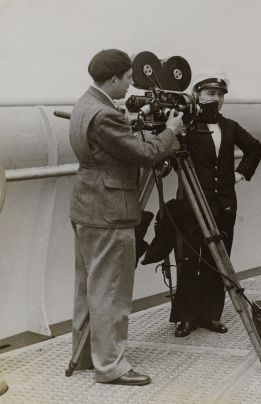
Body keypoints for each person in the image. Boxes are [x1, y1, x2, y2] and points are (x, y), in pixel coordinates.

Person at [69, 49, 184, 386]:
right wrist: (172, 131)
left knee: (88, 287)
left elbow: (109, 140)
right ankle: (112, 366)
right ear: (114, 78)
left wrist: (137, 118)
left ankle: (88, 356)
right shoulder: (105, 115)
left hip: (86, 205)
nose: (132, 84)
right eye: (129, 78)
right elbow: (144, 153)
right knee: (112, 290)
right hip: (110, 211)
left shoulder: (86, 104)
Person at [169, 71, 261, 337]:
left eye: (220, 95)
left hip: (223, 204)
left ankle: (210, 314)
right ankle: (185, 317)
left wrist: (240, 175)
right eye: (211, 94)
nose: (217, 99)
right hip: (193, 203)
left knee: (219, 258)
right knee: (190, 258)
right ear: (197, 95)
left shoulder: (230, 126)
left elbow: (254, 148)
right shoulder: (186, 126)